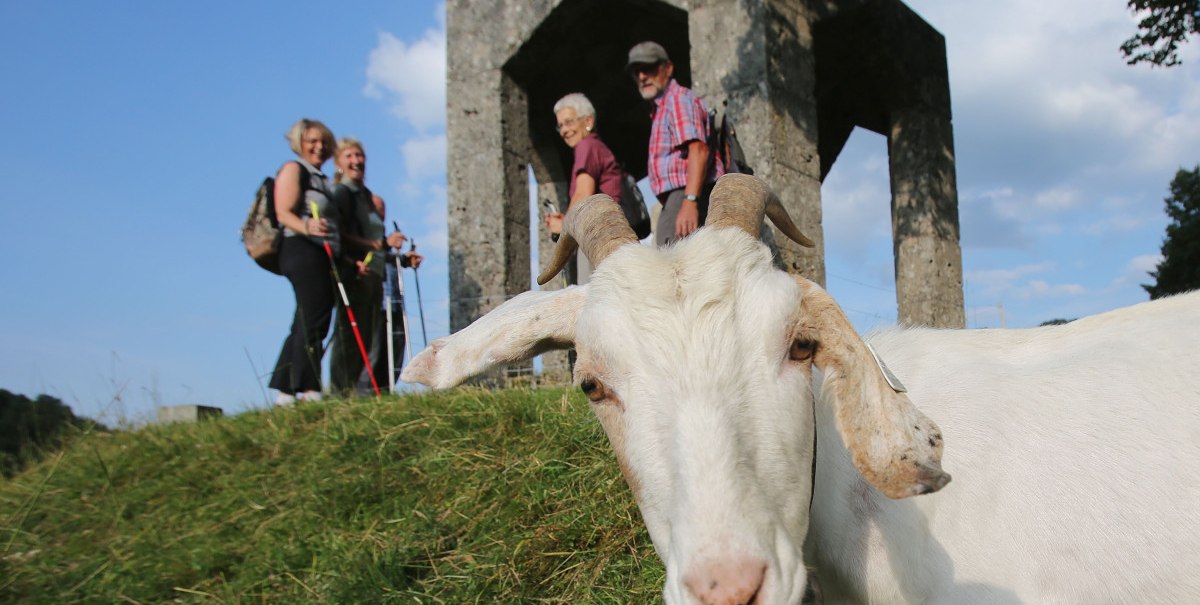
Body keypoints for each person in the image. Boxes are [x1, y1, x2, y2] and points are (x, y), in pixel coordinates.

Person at [328, 138, 421, 395]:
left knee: (368, 337)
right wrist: (379, 244)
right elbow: (340, 234)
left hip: (375, 276)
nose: (356, 161)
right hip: (355, 273)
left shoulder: (366, 197)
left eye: (359, 155)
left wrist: (403, 260)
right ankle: (339, 393)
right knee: (349, 335)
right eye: (349, 156)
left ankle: (354, 394)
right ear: (338, 162)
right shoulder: (342, 194)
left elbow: (377, 248)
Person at [268, 118, 340, 406]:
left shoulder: (321, 178)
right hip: (300, 248)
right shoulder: (294, 169)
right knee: (314, 317)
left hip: (318, 252)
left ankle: (286, 390)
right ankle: (309, 388)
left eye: (323, 142)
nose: (319, 147)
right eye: (312, 141)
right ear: (299, 143)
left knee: (305, 318)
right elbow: (283, 212)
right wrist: (308, 227)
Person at [626, 41, 724, 248]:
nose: (642, 77)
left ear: (668, 68)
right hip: (678, 198)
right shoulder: (662, 107)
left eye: (649, 68)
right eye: (637, 72)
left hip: (685, 194)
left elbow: (698, 149)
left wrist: (689, 200)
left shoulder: (677, 100)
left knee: (673, 261)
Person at [543, 92, 623, 284]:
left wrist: (564, 229)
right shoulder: (596, 146)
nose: (564, 130)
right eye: (560, 125)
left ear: (588, 121)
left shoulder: (587, 146)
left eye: (569, 122)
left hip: (596, 238)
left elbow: (583, 195)